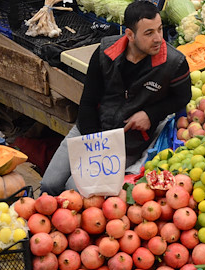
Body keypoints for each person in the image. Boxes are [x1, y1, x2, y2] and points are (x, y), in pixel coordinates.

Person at [40, 1, 192, 195]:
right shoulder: (105, 52)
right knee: (49, 185)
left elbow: (183, 97)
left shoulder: (174, 63)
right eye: (149, 33)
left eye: (160, 29)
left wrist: (150, 114)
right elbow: (87, 102)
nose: (158, 39)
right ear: (129, 35)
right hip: (89, 130)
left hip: (127, 142)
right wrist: (94, 145)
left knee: (74, 190)